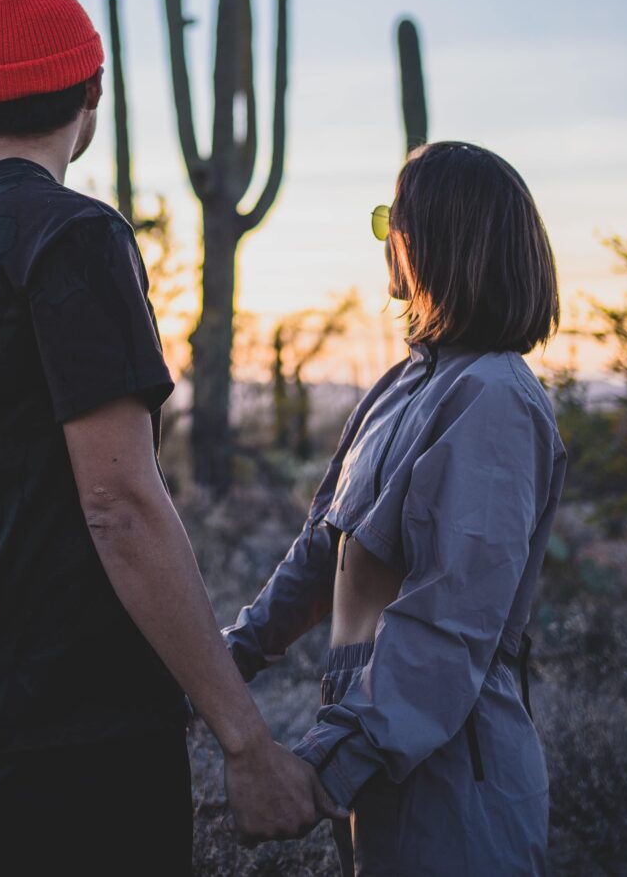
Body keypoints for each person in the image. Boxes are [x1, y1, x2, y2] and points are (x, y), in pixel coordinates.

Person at [0, 0, 344, 876]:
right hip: (80, 747)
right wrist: (246, 742)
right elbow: (120, 503)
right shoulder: (72, 237)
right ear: (92, 93)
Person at [224, 141, 567, 876]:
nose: (385, 239)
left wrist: (320, 765)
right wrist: (231, 657)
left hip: (451, 764)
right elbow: (324, 550)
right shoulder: (405, 384)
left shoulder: (495, 400)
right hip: (383, 742)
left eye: (394, 220)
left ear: (440, 239)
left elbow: (448, 625)